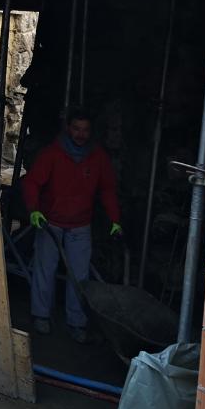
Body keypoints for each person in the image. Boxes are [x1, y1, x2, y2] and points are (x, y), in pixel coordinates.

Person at [21, 107, 122, 343]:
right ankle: (41, 315)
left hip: (80, 225)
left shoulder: (98, 158)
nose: (80, 134)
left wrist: (115, 219)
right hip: (50, 223)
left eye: (85, 130)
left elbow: (107, 189)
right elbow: (32, 182)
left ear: (90, 131)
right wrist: (34, 210)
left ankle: (76, 322)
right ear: (68, 128)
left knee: (79, 276)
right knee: (45, 270)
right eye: (76, 129)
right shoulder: (52, 154)